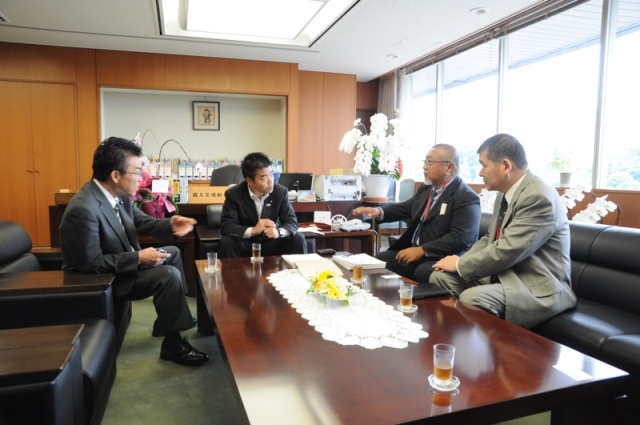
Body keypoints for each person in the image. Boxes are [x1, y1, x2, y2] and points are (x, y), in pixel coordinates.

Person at [59, 137, 208, 366]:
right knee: (167, 275)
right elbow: (90, 264)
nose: (141, 178)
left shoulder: (118, 195)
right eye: (137, 172)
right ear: (116, 175)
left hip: (122, 264)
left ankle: (167, 321)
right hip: (104, 279)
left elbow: (141, 223)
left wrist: (170, 224)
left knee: (173, 252)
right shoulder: (83, 209)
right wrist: (138, 257)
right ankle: (173, 343)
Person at [430, 134, 577, 329]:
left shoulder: (538, 197)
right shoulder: (505, 194)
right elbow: (490, 240)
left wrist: (459, 264)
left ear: (506, 165)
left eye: (483, 165)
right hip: (506, 276)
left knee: (472, 297)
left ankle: (491, 353)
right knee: (439, 278)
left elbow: (507, 250)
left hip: (537, 287)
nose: (480, 172)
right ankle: (449, 339)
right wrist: (455, 264)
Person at [353, 144, 480, 283]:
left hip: (441, 257)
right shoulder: (427, 189)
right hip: (417, 253)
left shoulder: (466, 197)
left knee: (422, 272)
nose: (425, 167)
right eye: (425, 161)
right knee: (381, 260)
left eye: (430, 162)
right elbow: (407, 207)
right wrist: (378, 211)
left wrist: (422, 250)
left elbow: (460, 238)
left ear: (449, 168)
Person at [218, 152, 307, 258]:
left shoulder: (280, 192)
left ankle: (299, 273)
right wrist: (253, 230)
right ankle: (231, 274)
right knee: (227, 242)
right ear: (249, 180)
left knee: (298, 238)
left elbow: (291, 221)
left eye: (271, 174)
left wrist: (279, 232)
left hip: (272, 241)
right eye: (264, 177)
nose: (271, 180)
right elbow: (227, 226)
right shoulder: (234, 194)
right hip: (246, 243)